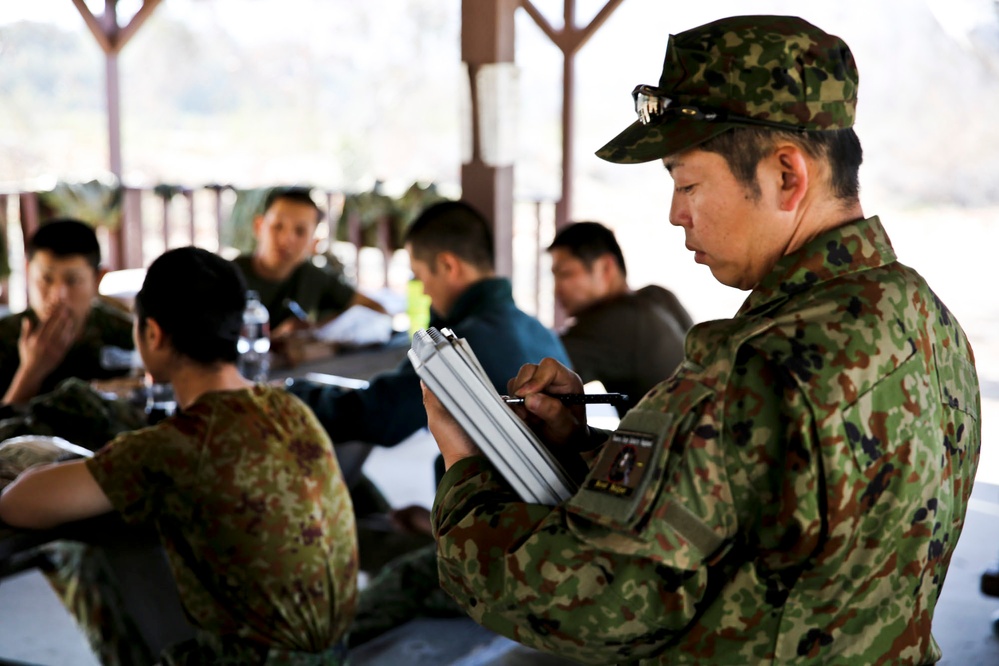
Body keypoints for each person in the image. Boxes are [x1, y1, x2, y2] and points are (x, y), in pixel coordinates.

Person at [423, 15, 981, 665]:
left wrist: (466, 470)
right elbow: (762, 501)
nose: (674, 212)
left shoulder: (754, 367)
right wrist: (579, 445)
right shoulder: (922, 315)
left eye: (686, 183)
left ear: (785, 176)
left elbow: (590, 600)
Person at [0, 246, 358, 665]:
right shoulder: (290, 409)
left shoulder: (177, 445)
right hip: (335, 654)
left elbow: (18, 504)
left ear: (152, 334)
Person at [286, 199, 569, 644]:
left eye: (421, 276)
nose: (422, 290)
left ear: (449, 266)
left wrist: (285, 399)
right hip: (536, 523)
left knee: (346, 612)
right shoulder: (535, 328)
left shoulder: (464, 343)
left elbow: (379, 417)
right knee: (362, 502)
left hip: (498, 549)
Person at [548, 221, 693, 413]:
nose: (557, 290)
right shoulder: (658, 297)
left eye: (566, 274)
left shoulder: (612, 324)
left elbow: (539, 370)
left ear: (606, 268)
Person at [0, 218, 134, 406]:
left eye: (72, 280)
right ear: (28, 270)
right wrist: (31, 372)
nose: (58, 295)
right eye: (46, 278)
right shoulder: (4, 337)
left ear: (97, 279)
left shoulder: (128, 336)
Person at [231, 186, 385, 339]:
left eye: (300, 231)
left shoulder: (313, 277)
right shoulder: (226, 276)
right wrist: (275, 340)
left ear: (314, 244)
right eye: (277, 226)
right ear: (259, 226)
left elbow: (376, 308)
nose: (286, 240)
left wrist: (316, 329)